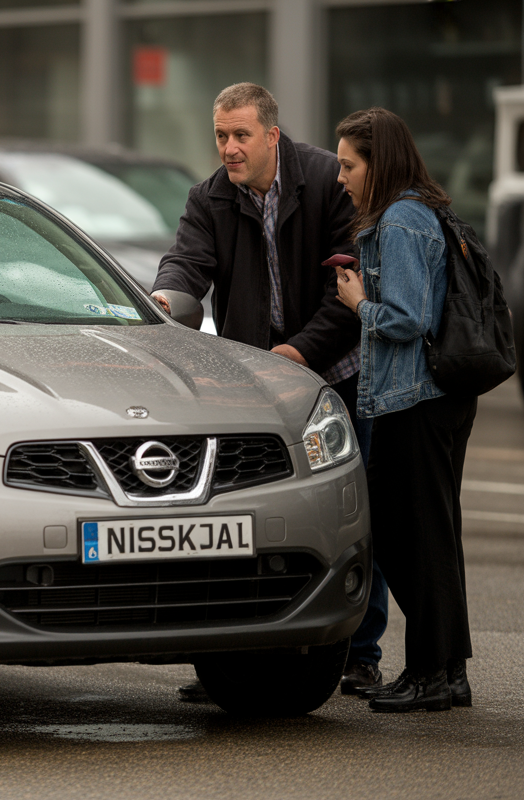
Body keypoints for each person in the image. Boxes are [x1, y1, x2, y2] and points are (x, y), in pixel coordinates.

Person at [151, 82, 389, 701]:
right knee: (238, 522)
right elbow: (186, 264)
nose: (229, 148)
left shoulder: (327, 180)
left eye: (241, 135)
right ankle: (233, 656)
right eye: (221, 136)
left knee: (353, 513)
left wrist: (300, 354)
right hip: (258, 389)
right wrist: (165, 299)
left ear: (272, 135)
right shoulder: (209, 197)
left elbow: (350, 286)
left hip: (339, 375)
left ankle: (360, 654)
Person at [332, 107, 476, 713]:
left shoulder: (399, 220)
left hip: (415, 398)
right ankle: (446, 671)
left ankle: (430, 674)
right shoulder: (422, 211)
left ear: (379, 163)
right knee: (429, 537)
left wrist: (358, 302)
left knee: (407, 536)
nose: (342, 177)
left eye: (349, 166)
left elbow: (408, 319)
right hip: (433, 397)